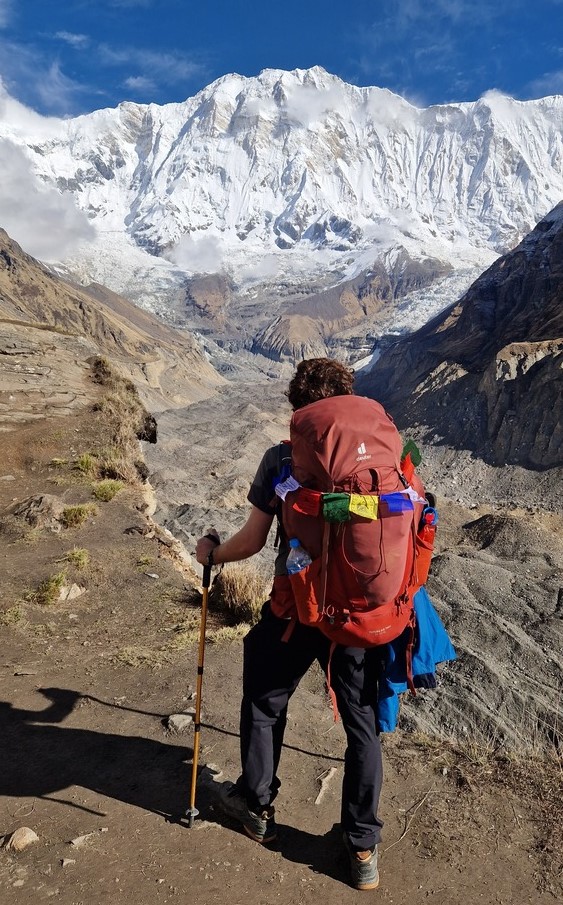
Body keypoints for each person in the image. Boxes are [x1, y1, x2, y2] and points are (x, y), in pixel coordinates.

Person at [196, 358, 389, 891]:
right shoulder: (385, 453)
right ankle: (362, 848)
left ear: (297, 408)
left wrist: (212, 555)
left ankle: (256, 806)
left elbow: (254, 540)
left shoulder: (283, 458)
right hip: (359, 611)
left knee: (264, 699)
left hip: (298, 607)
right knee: (362, 724)